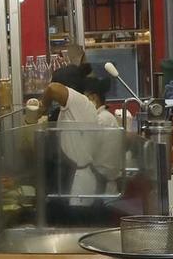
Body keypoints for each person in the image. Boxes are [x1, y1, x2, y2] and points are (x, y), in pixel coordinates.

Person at [45, 66, 125, 198]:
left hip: (95, 186)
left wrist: (41, 108)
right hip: (89, 183)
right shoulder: (81, 111)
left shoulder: (89, 110)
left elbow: (53, 88)